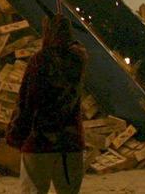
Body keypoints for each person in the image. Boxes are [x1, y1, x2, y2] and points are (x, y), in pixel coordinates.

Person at [7, 14, 87, 194]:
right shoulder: (79, 60)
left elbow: (27, 101)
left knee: (33, 190)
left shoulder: (40, 60)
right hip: (71, 142)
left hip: (39, 143)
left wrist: (16, 135)